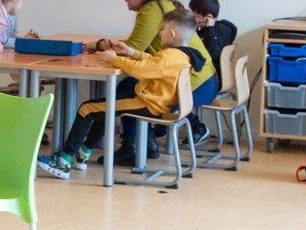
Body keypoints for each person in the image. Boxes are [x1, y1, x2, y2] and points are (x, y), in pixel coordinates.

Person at [36, 9, 202, 179]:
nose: (160, 33)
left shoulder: (168, 57)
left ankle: (63, 162)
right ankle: (83, 152)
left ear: (172, 34)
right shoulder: (181, 56)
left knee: (87, 109)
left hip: (147, 104)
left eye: (163, 30)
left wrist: (113, 58)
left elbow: (141, 70)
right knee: (103, 108)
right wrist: (131, 52)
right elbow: (153, 61)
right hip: (156, 102)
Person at [189, 0, 238, 85]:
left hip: (211, 80)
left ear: (208, 17)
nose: (194, 19)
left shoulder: (217, 31)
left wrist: (210, 29)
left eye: (196, 16)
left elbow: (212, 55)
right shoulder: (214, 30)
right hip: (215, 78)